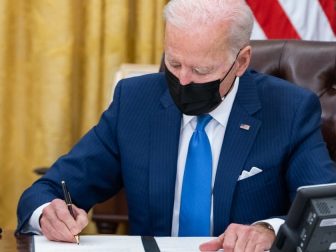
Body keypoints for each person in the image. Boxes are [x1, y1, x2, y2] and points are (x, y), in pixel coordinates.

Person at [17, 0, 336, 251]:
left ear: (240, 62)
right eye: (174, 63)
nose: (183, 80)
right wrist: (48, 213)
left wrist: (269, 231)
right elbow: (46, 190)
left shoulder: (289, 110)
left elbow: (327, 210)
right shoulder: (136, 102)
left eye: (200, 69)